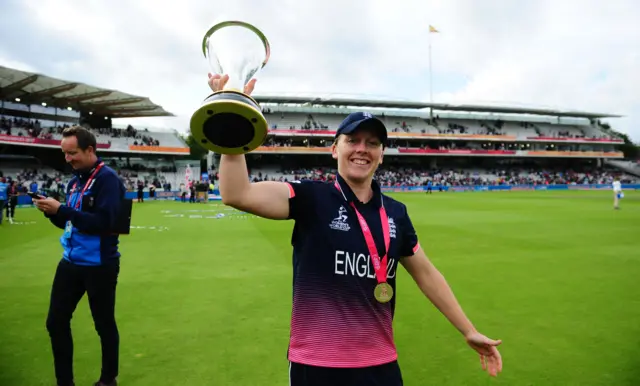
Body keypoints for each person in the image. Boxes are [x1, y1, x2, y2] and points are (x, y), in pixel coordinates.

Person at [210, 73, 503, 386]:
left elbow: (426, 273)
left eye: (373, 143)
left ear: (381, 155)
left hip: (381, 364)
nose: (362, 149)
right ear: (335, 149)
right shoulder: (310, 197)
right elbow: (237, 193)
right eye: (352, 141)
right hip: (318, 363)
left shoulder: (396, 213)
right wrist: (233, 114)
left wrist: (468, 329)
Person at [32, 126, 126, 386]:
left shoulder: (108, 179)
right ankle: (65, 381)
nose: (68, 159)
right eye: (64, 154)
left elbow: (104, 223)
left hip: (100, 264)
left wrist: (61, 209)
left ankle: (108, 379)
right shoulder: (74, 181)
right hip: (70, 263)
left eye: (72, 153)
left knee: (103, 324)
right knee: (55, 323)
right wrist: (52, 213)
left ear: (90, 150)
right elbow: (70, 224)